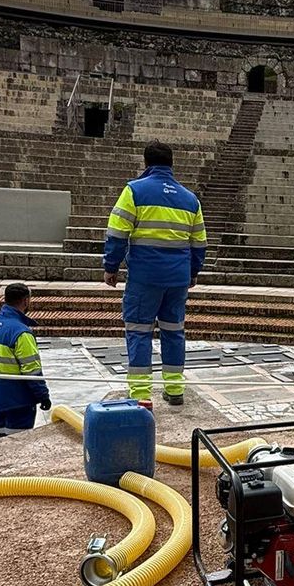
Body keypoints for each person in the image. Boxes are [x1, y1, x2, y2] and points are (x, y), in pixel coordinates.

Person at [103, 141, 207, 406]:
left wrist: (111, 266)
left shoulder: (134, 191)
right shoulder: (190, 199)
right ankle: (174, 390)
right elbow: (199, 243)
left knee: (139, 331)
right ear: (172, 164)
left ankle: (140, 395)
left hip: (144, 277)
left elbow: (117, 233)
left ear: (146, 163)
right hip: (178, 279)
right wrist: (193, 272)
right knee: (174, 331)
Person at [0, 282, 51, 437]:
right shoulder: (21, 333)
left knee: (3, 440)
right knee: (18, 446)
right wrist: (43, 396)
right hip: (17, 402)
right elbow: (32, 371)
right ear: (26, 301)